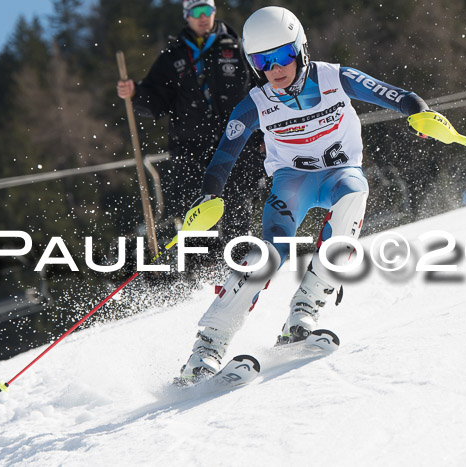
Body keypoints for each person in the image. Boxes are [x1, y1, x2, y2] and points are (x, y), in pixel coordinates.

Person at [177, 6, 431, 383]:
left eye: (281, 56)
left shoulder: (334, 77)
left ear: (300, 50)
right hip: (291, 182)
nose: (274, 69)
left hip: (337, 175)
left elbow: (395, 95)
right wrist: (210, 193)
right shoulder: (257, 102)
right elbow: (225, 151)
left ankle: (304, 311)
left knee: (353, 194)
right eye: (262, 61)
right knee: (270, 253)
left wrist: (419, 112)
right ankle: (207, 348)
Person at [116, 0, 262, 242]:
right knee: (197, 217)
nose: (203, 16)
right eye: (197, 11)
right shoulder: (173, 57)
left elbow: (261, 93)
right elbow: (155, 100)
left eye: (208, 10)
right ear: (187, 16)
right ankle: (202, 272)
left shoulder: (238, 49)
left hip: (237, 144)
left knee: (238, 211)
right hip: (191, 149)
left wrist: (264, 136)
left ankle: (242, 267)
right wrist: (135, 93)